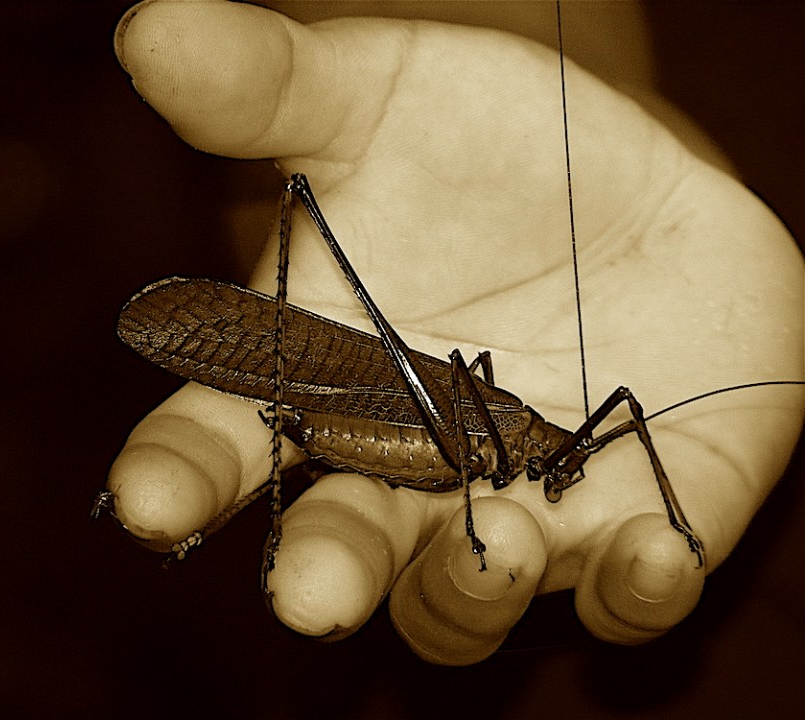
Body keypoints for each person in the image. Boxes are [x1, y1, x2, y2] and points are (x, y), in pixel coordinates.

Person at [104, 0, 803, 665]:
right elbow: (478, 382)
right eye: (568, 459)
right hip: (409, 423)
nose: (570, 466)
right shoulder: (512, 429)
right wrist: (470, 511)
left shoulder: (538, 444)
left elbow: (625, 413)